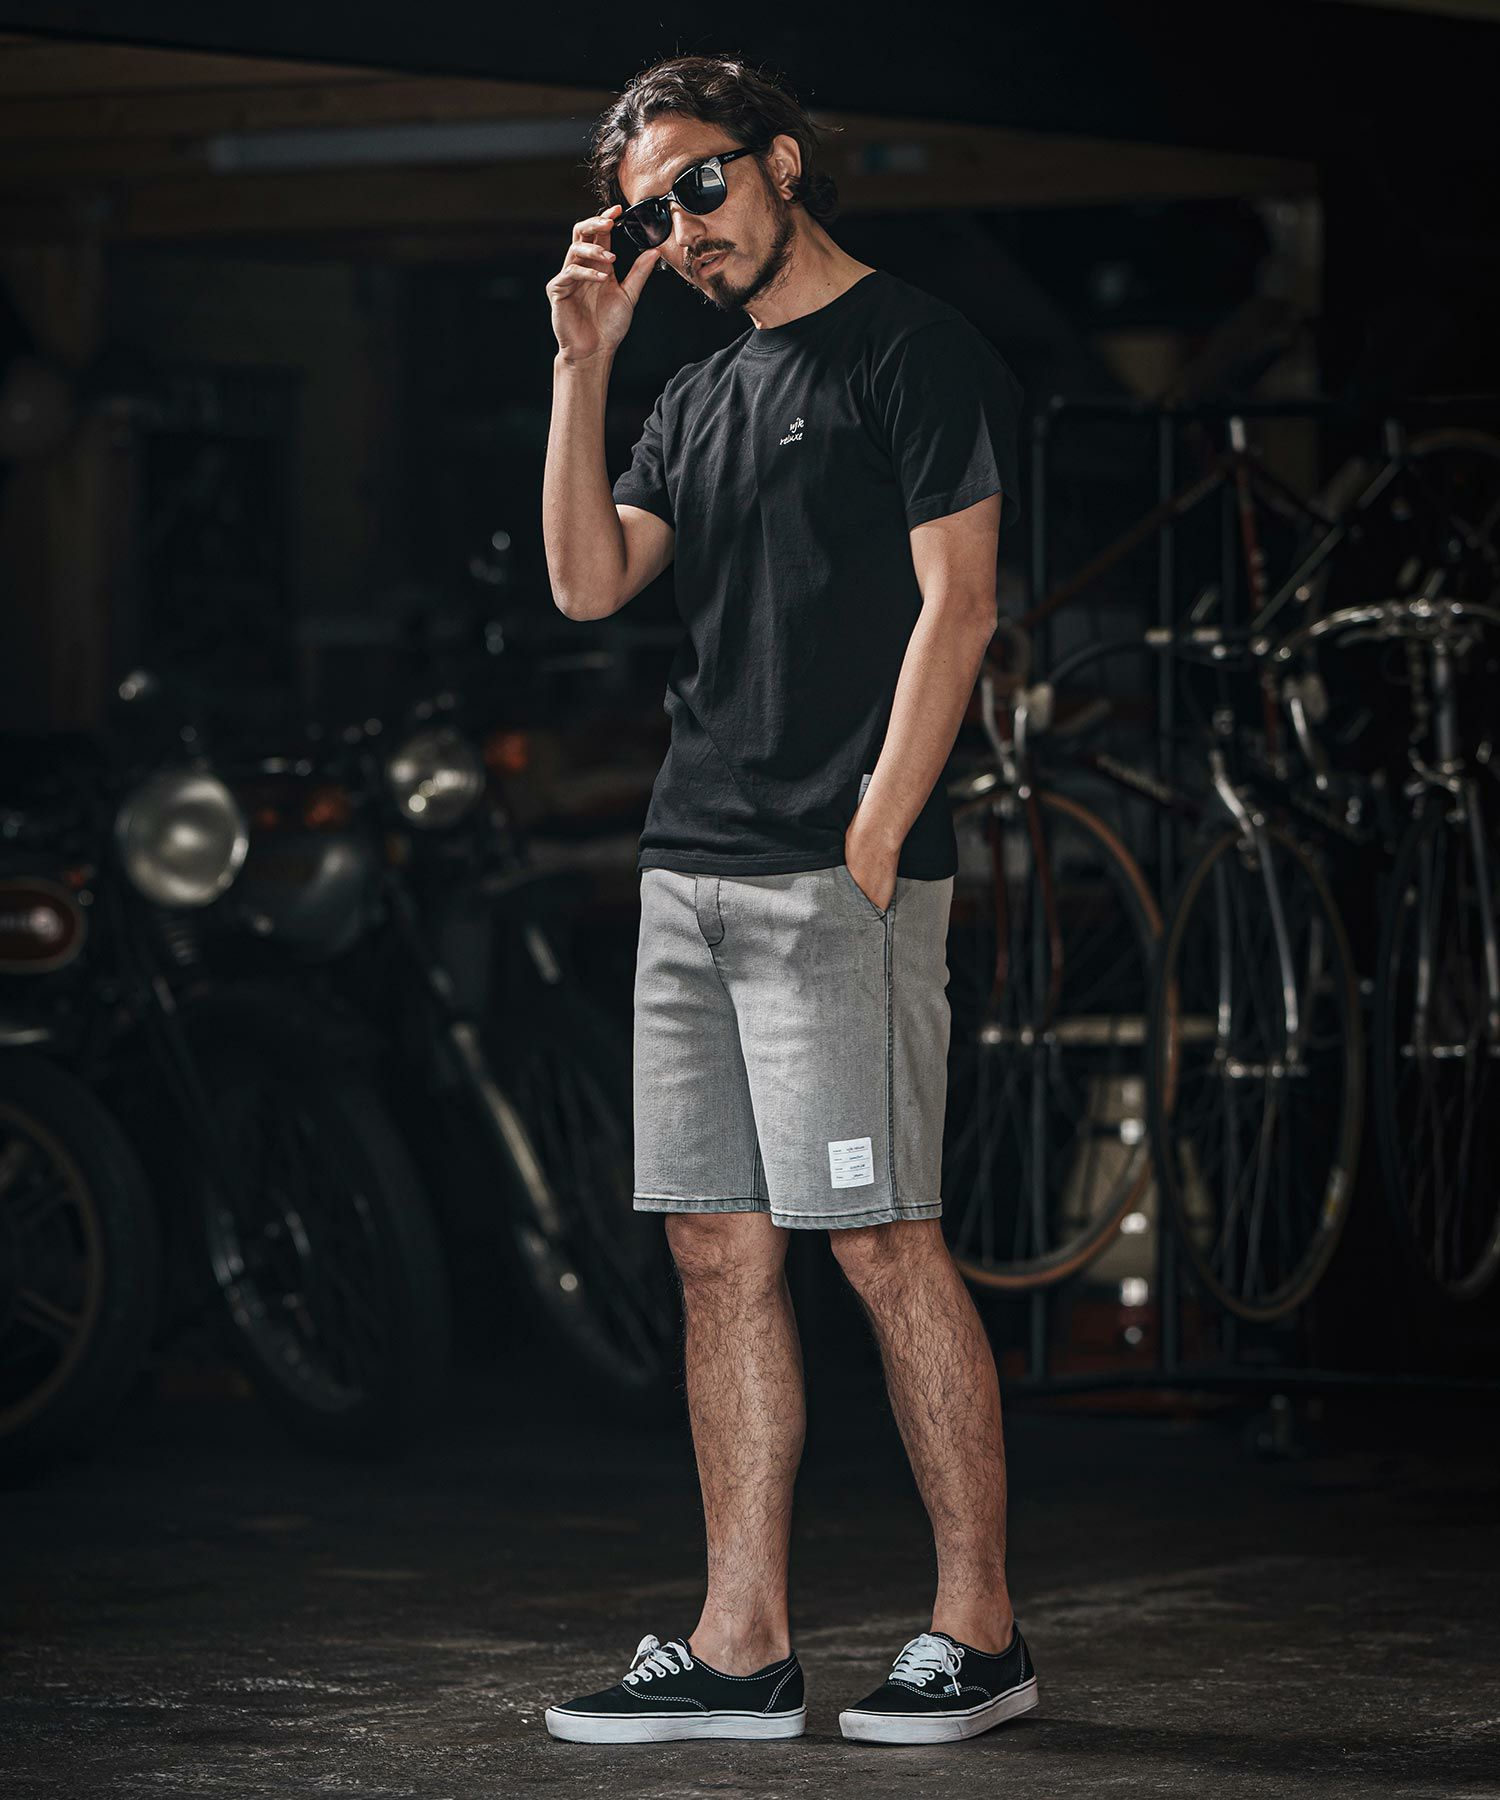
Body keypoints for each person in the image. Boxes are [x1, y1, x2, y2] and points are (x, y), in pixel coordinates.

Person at [539, 53, 1038, 1749]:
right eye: (651, 211)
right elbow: (588, 581)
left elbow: (959, 606)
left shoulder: (912, 347)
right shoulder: (692, 393)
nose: (685, 226)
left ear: (780, 163)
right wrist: (582, 365)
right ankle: (740, 1644)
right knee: (713, 1251)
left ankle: (980, 1631)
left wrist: (876, 836)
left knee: (883, 1242)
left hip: (838, 881)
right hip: (690, 873)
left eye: (704, 183)